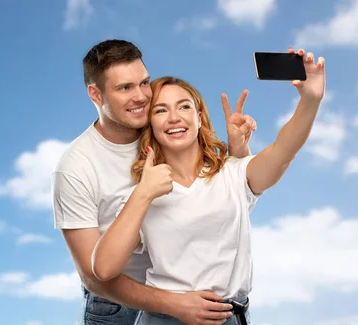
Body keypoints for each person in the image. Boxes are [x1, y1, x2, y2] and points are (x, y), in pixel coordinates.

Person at [91, 48, 326, 324]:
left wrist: (310, 100)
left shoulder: (234, 173)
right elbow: (104, 268)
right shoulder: (143, 191)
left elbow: (283, 151)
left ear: (199, 117)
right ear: (149, 124)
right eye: (160, 110)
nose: (174, 117)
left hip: (229, 316)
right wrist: (143, 193)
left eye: (184, 106)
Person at [52, 39, 258, 325]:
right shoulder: (75, 167)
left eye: (144, 83)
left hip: (189, 296)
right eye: (125, 88)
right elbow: (92, 275)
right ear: (95, 95)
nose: (141, 97)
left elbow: (220, 204)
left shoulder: (166, 126)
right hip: (116, 305)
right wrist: (173, 304)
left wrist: (239, 151)